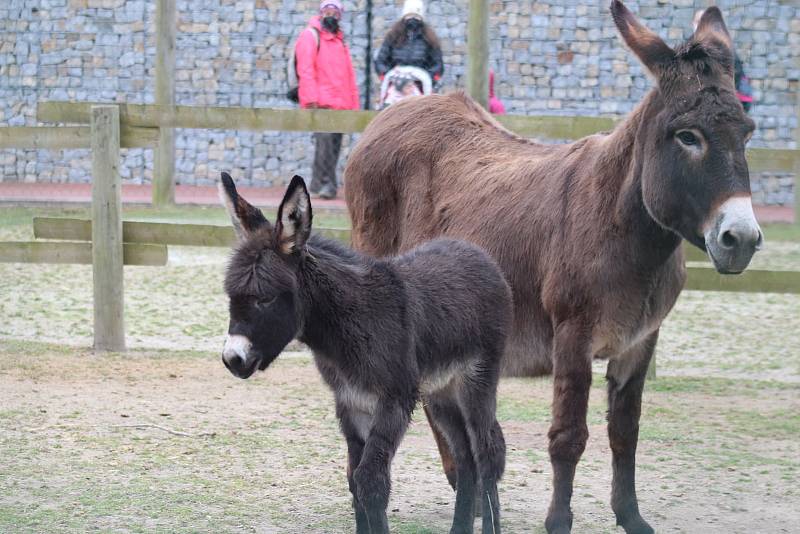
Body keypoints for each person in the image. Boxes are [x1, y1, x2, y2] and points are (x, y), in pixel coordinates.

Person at [296, 0, 359, 200]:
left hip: (340, 104)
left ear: (340, 14)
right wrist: (311, 99)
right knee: (324, 146)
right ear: (321, 12)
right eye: (327, 10)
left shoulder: (341, 41)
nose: (330, 14)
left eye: (335, 10)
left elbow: (349, 75)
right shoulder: (310, 36)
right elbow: (305, 69)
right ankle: (326, 185)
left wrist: (353, 105)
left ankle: (318, 184)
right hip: (321, 103)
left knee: (333, 147)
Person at [693, 9, 753, 113]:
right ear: (693, 23)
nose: (700, 25)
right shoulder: (691, 46)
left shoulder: (721, 44)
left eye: (703, 21)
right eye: (698, 21)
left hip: (728, 100)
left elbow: (735, 72)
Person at [375, 0, 444, 88]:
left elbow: (437, 65)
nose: (413, 19)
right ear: (404, 16)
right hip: (396, 84)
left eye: (416, 16)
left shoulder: (429, 38)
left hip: (420, 85)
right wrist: (389, 78)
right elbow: (381, 61)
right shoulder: (393, 36)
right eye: (410, 15)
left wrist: (427, 79)